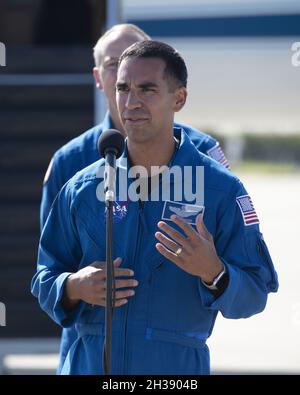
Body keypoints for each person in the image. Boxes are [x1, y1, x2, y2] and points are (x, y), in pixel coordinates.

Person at [32, 40, 278, 375]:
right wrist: (74, 286)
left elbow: (255, 291)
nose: (131, 102)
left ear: (179, 98)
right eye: (123, 88)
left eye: (147, 89)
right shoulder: (82, 188)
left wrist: (214, 272)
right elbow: (44, 276)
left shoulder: (220, 189)